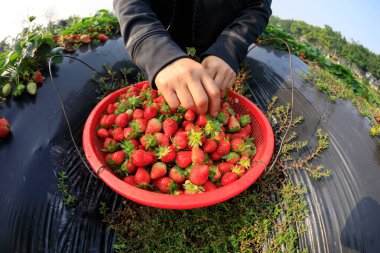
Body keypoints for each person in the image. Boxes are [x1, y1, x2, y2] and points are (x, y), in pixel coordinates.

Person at [113, 0, 272, 116]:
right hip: (164, 29)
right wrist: (158, 52)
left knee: (209, 87)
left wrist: (229, 48)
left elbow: (258, 6)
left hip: (218, 36)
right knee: (171, 85)